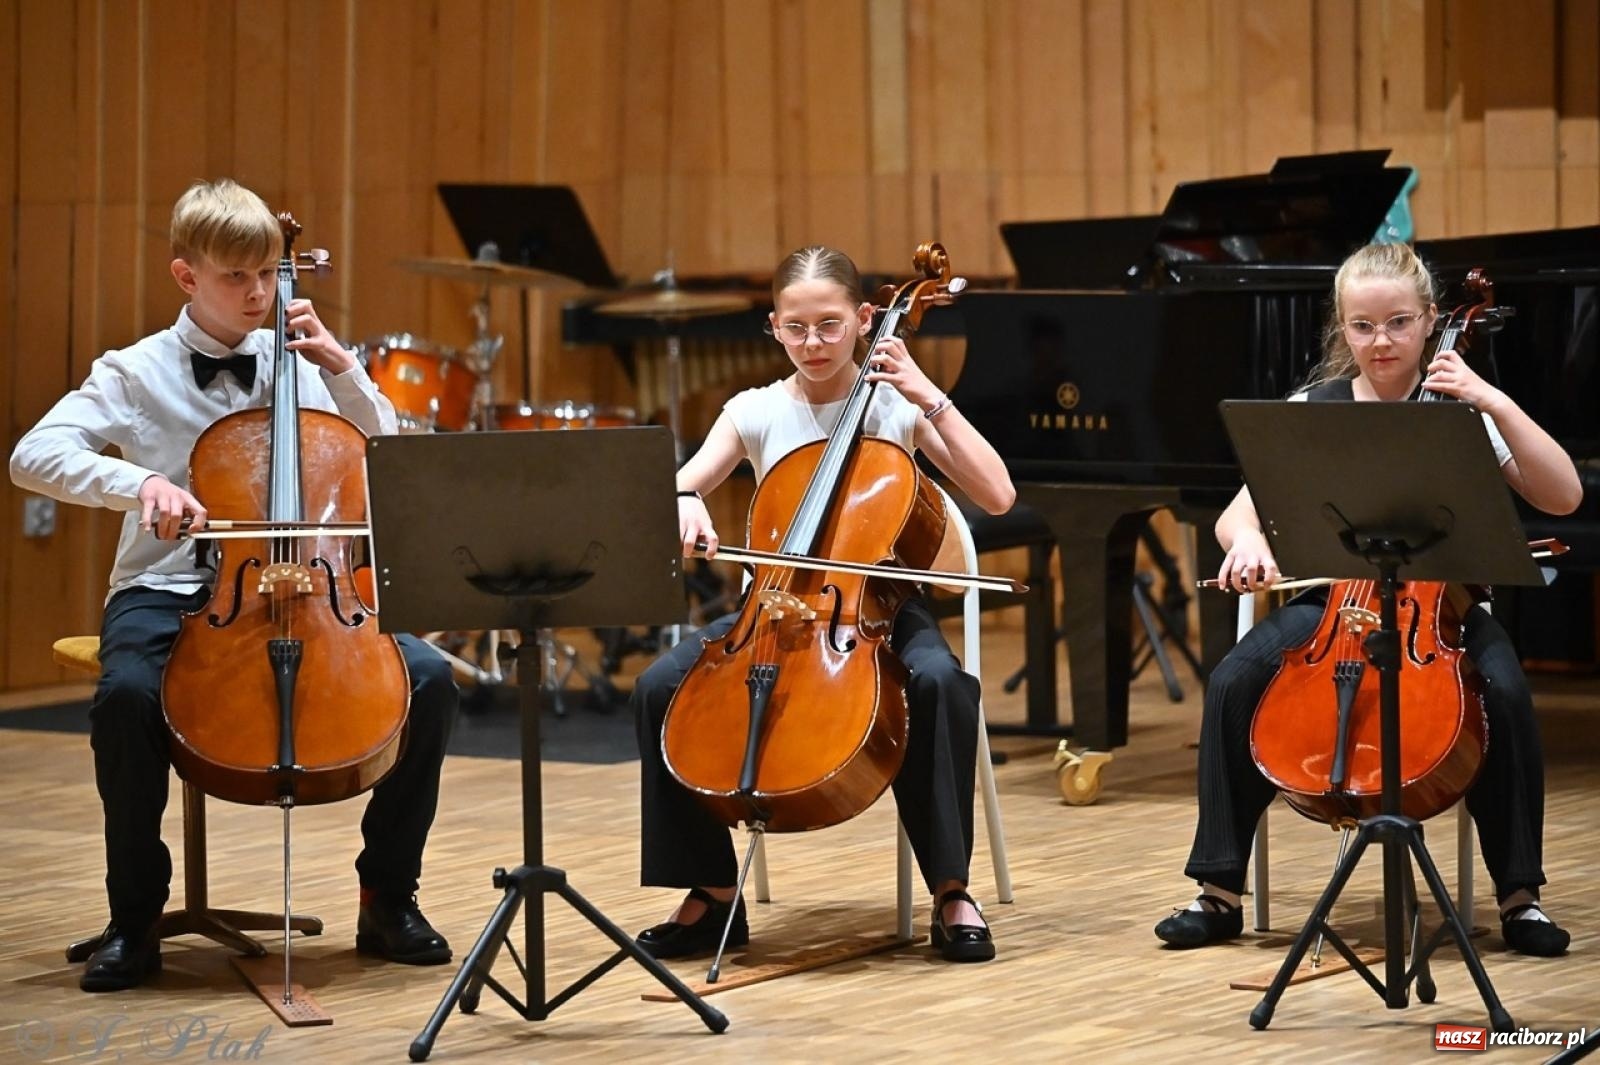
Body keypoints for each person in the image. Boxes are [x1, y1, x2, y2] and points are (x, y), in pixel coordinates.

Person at [10, 179, 459, 991]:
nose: (257, 294)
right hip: (173, 586)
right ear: (186, 276)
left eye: (267, 275)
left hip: (313, 588)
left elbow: (388, 452)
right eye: (235, 278)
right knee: (126, 697)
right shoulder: (135, 369)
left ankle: (387, 895)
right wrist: (138, 482)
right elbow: (31, 455)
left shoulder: (303, 361)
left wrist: (345, 370)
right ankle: (134, 915)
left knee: (428, 679)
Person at [1153, 241, 1584, 956]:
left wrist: (1492, 398)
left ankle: (1519, 897)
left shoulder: (1460, 411)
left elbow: (1563, 494)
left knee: (1505, 693)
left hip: (1438, 616)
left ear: (1429, 320)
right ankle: (1218, 890)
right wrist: (1247, 543)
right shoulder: (1313, 409)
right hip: (1328, 608)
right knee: (1231, 679)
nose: (1379, 341)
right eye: (1361, 326)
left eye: (1398, 323)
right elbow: (1239, 514)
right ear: (1341, 326)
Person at [631, 245, 1016, 964]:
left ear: (866, 320)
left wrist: (928, 391)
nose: (813, 344)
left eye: (830, 326)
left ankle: (953, 889)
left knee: (941, 684)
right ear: (774, 326)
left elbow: (997, 494)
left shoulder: (898, 406)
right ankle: (712, 892)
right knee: (658, 688)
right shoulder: (754, 412)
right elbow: (679, 485)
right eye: (797, 328)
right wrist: (685, 504)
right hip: (769, 612)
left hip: (878, 613)